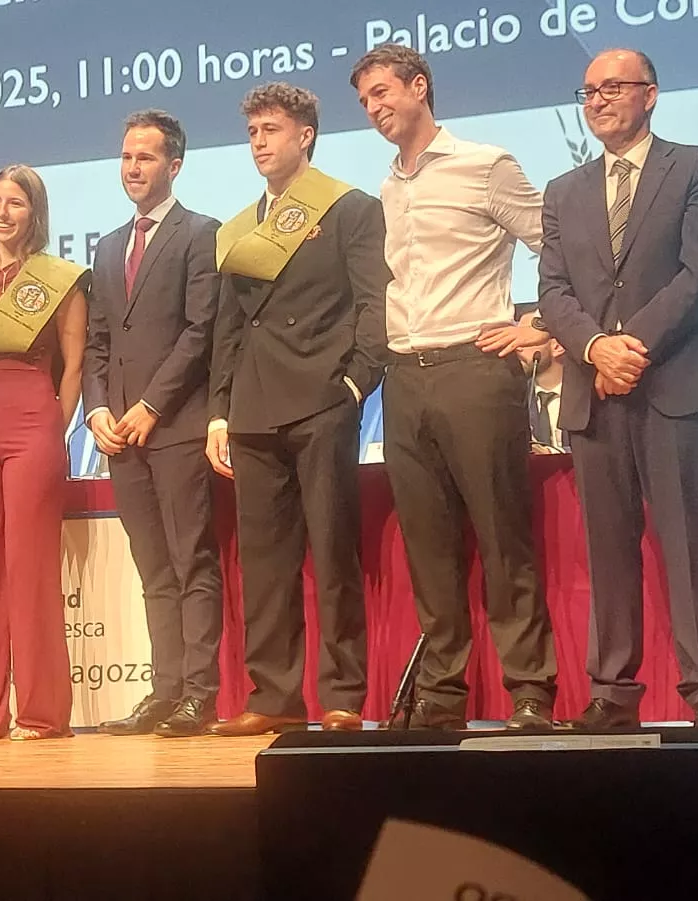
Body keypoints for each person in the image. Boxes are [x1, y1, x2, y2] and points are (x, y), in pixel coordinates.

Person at [533, 49, 698, 728]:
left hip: (676, 382)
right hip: (594, 391)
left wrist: (633, 346)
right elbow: (553, 291)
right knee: (608, 546)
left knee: (687, 542)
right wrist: (596, 346)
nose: (596, 100)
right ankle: (611, 693)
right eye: (588, 91)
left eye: (612, 88)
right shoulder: (564, 191)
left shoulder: (697, 166)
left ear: (650, 95)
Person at [351, 45, 558, 731]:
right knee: (429, 548)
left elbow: (555, 245)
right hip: (405, 380)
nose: (376, 108)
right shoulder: (387, 186)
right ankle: (442, 693)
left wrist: (542, 325)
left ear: (419, 87)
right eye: (365, 101)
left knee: (503, 539)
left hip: (475, 368)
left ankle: (530, 688)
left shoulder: (485, 164)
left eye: (383, 92)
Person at [204, 82, 389, 736]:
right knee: (265, 564)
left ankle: (342, 692)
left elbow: (374, 303)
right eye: (253, 131)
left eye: (272, 129)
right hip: (252, 407)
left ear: (304, 135)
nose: (260, 142)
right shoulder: (238, 228)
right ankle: (274, 694)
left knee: (334, 554)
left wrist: (356, 385)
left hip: (321, 399)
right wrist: (218, 412)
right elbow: (229, 326)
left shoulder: (348, 208)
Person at [85, 111, 225, 739]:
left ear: (174, 166)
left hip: (176, 428)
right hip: (119, 435)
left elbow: (201, 332)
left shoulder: (201, 234)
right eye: (125, 157)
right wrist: (98, 409)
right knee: (152, 568)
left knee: (191, 560)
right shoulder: (108, 246)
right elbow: (97, 341)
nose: (132, 168)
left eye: (145, 158)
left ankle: (200, 693)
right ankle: (164, 690)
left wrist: (152, 406)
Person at [0, 165, 88, 742]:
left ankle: (41, 713)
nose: (3, 212)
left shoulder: (62, 278)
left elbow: (73, 365)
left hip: (34, 415)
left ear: (36, 214)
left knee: (30, 565)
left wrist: (56, 425)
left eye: (16, 204)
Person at [512, 310, 568, 454]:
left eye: (525, 340)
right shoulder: (514, 398)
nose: (516, 348)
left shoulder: (587, 394)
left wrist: (551, 453)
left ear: (557, 346)